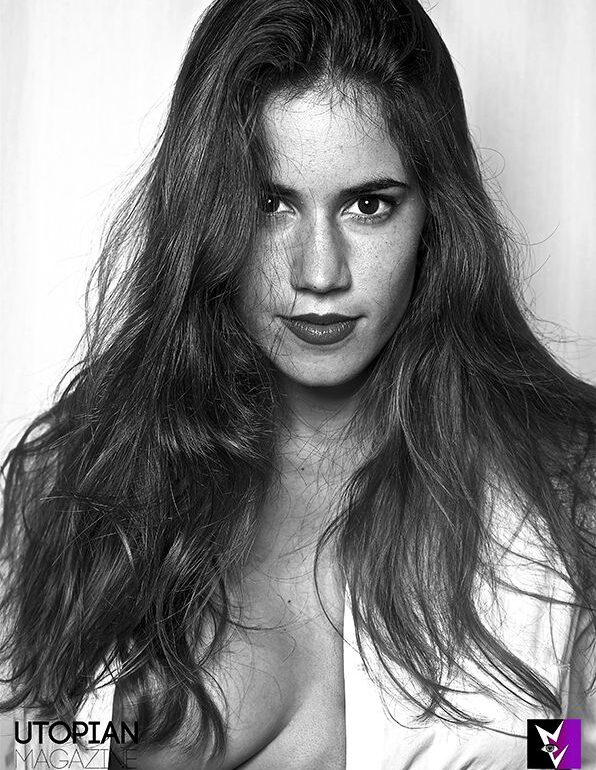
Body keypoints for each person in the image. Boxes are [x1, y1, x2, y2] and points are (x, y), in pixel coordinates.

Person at [1, 0, 596, 768]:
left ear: (435, 216)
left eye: (369, 205)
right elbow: (29, 740)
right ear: (206, 212)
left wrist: (545, 753)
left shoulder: (567, 488)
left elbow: (576, 746)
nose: (320, 273)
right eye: (271, 203)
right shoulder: (77, 489)